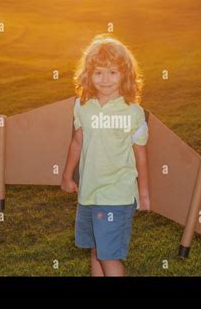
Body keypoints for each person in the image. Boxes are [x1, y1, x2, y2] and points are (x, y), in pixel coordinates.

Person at [61, 34, 150, 276]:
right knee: (96, 250)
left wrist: (143, 193)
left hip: (117, 195)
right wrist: (67, 176)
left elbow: (140, 154)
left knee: (109, 256)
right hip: (89, 193)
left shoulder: (132, 112)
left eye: (113, 72)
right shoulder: (83, 106)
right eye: (99, 72)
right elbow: (77, 141)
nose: (106, 80)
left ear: (125, 74)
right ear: (88, 75)